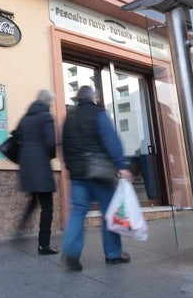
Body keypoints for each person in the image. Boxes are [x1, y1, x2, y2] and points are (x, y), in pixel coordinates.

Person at [61, 85, 133, 271]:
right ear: (92, 97)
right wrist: (121, 166)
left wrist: (71, 168)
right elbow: (111, 141)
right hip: (100, 172)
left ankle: (71, 252)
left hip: (78, 174)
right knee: (109, 213)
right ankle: (113, 254)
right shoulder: (98, 114)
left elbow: (64, 147)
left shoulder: (69, 117)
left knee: (77, 212)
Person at [15, 89, 58, 255]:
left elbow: (16, 135)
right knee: (47, 207)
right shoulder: (46, 117)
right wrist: (50, 155)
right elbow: (50, 143)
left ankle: (19, 230)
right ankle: (43, 245)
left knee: (34, 201)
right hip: (41, 167)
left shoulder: (25, 118)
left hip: (26, 167)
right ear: (47, 102)